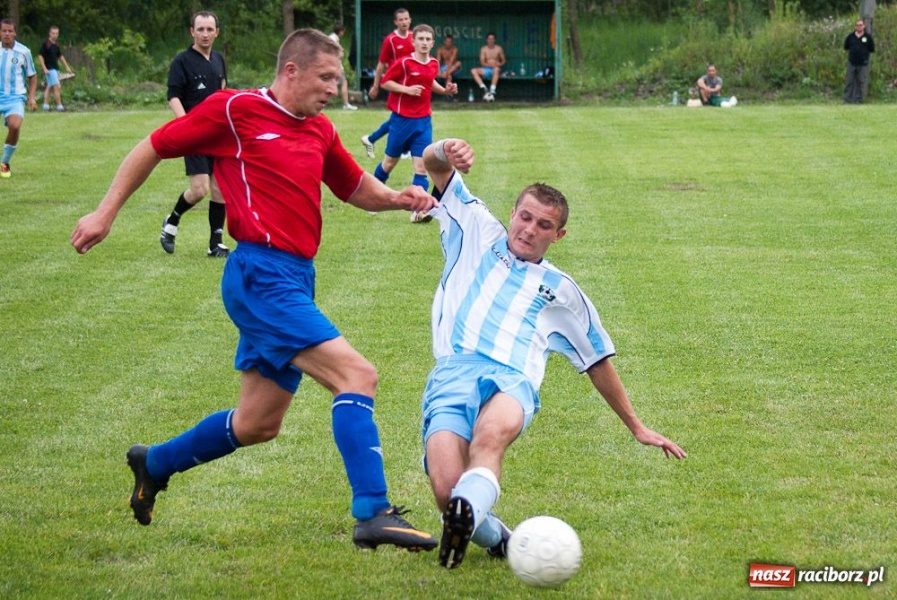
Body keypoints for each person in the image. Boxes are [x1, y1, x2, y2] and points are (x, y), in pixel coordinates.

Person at [70, 28, 439, 553]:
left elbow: (355, 187)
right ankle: (373, 511)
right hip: (259, 275)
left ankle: (153, 463)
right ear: (291, 71)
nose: (335, 88)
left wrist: (400, 199)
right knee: (356, 374)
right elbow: (153, 145)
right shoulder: (234, 110)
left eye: (337, 78)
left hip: (295, 277)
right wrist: (105, 213)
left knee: (258, 423)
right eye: (326, 77)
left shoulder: (320, 129)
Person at [418, 137, 688, 568]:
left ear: (558, 235)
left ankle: (466, 515)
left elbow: (597, 361)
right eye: (525, 217)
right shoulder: (474, 227)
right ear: (512, 213)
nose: (529, 229)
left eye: (544, 225)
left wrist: (636, 426)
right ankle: (490, 532)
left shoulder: (561, 290)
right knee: (447, 489)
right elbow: (429, 163)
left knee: (490, 437)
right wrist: (446, 148)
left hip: (512, 380)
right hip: (452, 372)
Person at [158, 11, 230, 258]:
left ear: (217, 32)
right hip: (194, 134)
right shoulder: (182, 61)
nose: (205, 34)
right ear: (192, 32)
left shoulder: (219, 59)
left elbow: (222, 93)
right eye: (200, 29)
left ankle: (216, 243)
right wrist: (186, 124)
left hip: (218, 135)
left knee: (220, 187)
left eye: (210, 29)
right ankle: (172, 221)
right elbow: (173, 95)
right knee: (200, 189)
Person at [373, 24, 456, 223]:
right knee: (389, 163)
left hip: (423, 121)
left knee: (420, 167)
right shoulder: (404, 63)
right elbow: (385, 82)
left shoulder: (434, 63)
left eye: (428, 39)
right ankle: (374, 198)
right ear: (413, 42)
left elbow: (430, 82)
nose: (424, 43)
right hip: (402, 121)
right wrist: (407, 90)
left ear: (432, 43)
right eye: (421, 39)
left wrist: (445, 91)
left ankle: (417, 211)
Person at [361, 8, 413, 159]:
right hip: (396, 84)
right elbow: (381, 64)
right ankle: (404, 149)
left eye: (406, 19)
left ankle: (371, 139)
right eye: (401, 20)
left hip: (411, 83)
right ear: (395, 22)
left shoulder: (414, 37)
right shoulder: (390, 40)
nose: (404, 22)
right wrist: (376, 86)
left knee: (401, 117)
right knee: (403, 117)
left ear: (410, 20)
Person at [0, 19, 37, 179]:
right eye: (4, 31)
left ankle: (4, 163)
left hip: (14, 97)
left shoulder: (24, 52)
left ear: (15, 33)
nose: (7, 34)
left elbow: (33, 76)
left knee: (15, 126)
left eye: (10, 31)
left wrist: (31, 98)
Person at [37, 25, 74, 112]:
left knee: (49, 87)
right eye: (53, 33)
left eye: (56, 33)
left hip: (55, 68)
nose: (55, 35)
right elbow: (40, 56)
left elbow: (60, 56)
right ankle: (59, 107)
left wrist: (67, 67)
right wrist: (44, 68)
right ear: (49, 33)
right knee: (57, 86)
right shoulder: (46, 44)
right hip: (50, 69)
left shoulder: (56, 45)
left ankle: (45, 107)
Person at [844, 19, 874, 104]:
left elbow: (871, 49)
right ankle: (847, 99)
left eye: (861, 25)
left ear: (864, 26)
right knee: (849, 81)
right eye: (857, 25)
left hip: (863, 63)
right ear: (855, 27)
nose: (859, 27)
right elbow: (846, 47)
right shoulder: (850, 37)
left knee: (861, 81)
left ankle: (857, 99)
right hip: (852, 62)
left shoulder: (868, 37)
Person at [329, 24, 358, 111]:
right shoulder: (334, 39)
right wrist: (341, 51)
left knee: (333, 82)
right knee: (343, 82)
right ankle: (346, 104)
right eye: (343, 31)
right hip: (336, 65)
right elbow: (338, 53)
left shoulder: (330, 37)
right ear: (340, 31)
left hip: (332, 65)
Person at [470, 33, 505, 102]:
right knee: (473, 71)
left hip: (495, 69)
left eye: (492, 39)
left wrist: (499, 64)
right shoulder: (484, 49)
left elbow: (503, 61)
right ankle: (484, 88)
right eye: (489, 39)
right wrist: (491, 65)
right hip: (486, 69)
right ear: (487, 40)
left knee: (497, 69)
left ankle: (492, 90)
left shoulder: (499, 48)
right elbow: (482, 62)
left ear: (495, 40)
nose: (491, 40)